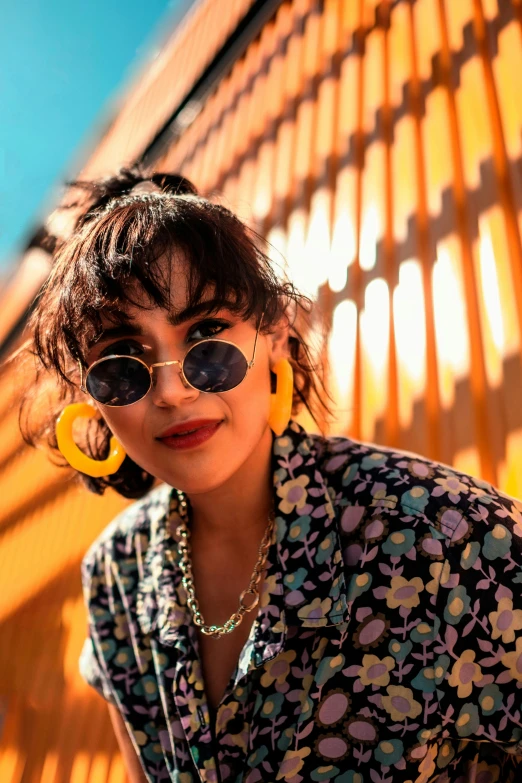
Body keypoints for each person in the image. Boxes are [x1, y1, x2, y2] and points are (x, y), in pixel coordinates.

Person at [18, 165, 522, 783]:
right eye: (122, 363)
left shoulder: (448, 536)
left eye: (207, 334)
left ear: (276, 336)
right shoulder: (115, 578)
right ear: (93, 398)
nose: (173, 391)